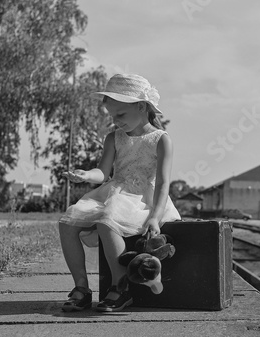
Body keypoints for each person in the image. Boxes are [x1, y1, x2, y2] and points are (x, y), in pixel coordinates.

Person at [59, 73, 181, 313]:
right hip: (115, 190)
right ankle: (81, 287)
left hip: (142, 199)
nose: (116, 121)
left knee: (107, 221)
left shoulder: (161, 140)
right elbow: (103, 173)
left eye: (121, 115)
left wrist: (155, 216)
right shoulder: (114, 138)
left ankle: (120, 287)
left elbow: (164, 182)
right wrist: (86, 175)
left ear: (142, 106)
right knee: (67, 223)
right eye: (113, 116)